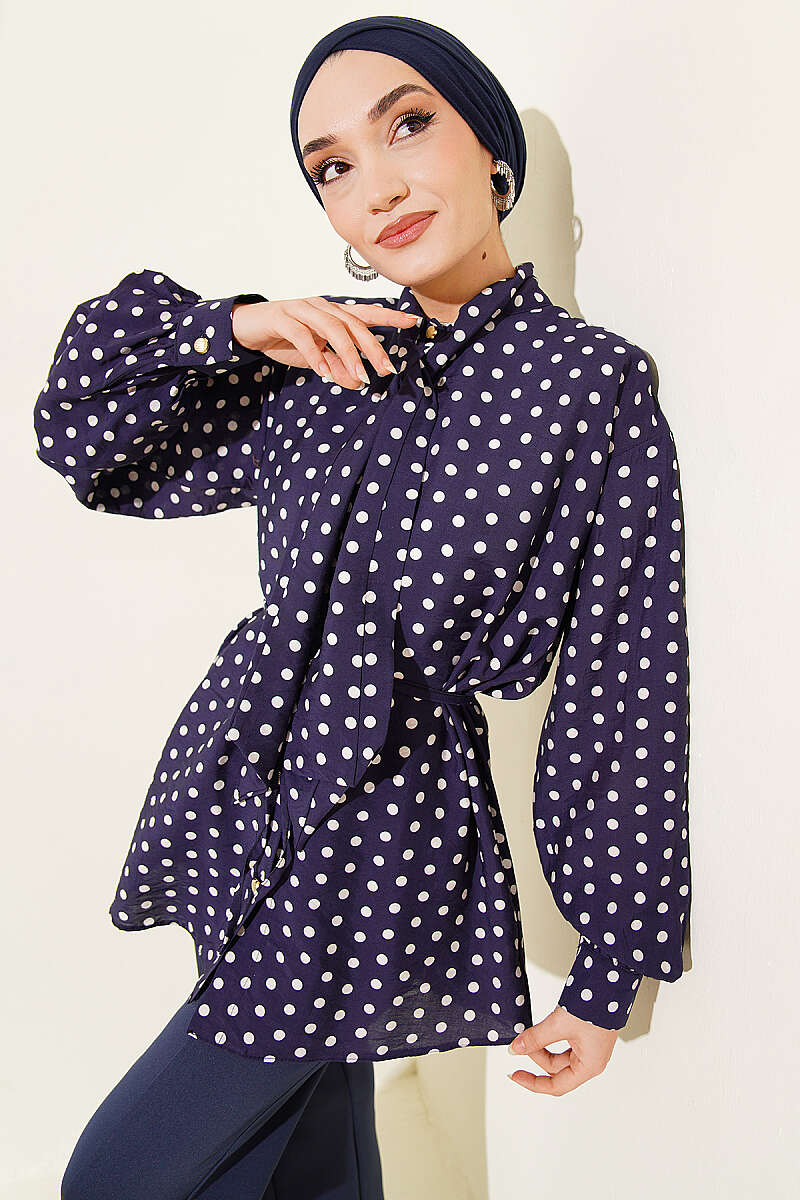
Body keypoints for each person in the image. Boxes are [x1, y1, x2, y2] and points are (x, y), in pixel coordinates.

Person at [37, 14, 691, 1199]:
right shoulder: (319, 363)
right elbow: (83, 431)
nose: (374, 185)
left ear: (488, 147)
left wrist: (609, 971)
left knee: (115, 1178)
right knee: (300, 1168)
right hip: (245, 808)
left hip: (382, 831)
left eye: (407, 125)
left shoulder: (587, 386)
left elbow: (622, 690)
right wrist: (232, 326)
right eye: (332, 166)